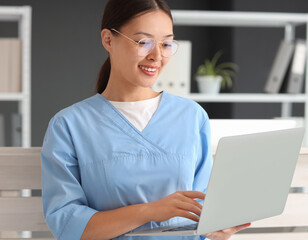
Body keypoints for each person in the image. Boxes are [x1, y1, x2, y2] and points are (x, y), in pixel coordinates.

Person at [41, 0, 250, 239]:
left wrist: (218, 230)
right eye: (143, 42)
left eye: (166, 44)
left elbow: (202, 212)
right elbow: (68, 226)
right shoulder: (69, 125)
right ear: (108, 39)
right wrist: (149, 211)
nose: (157, 56)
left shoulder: (192, 117)